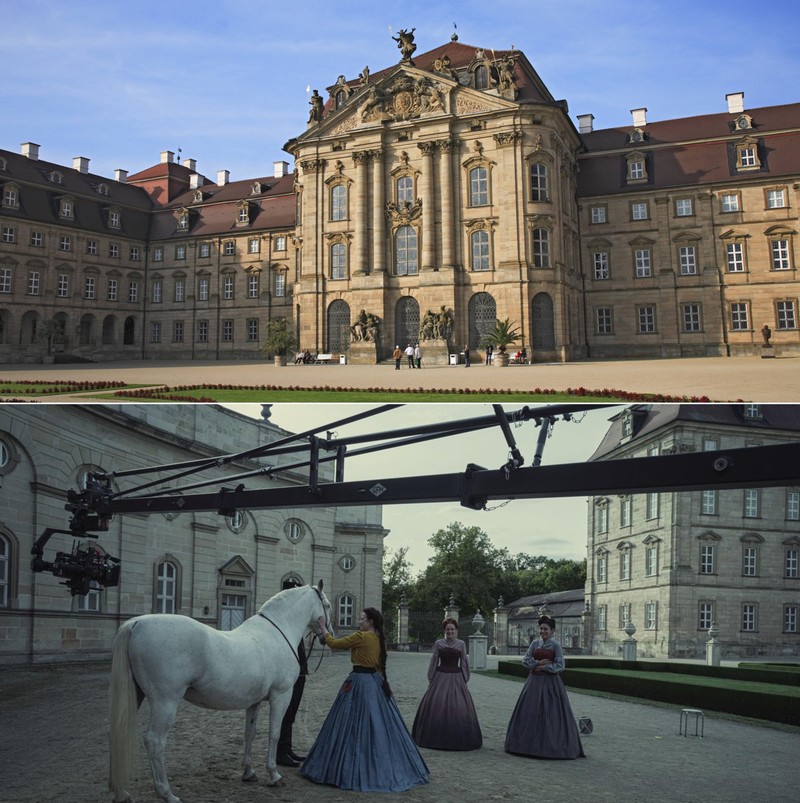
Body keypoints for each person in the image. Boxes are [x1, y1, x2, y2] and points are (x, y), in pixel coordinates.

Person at [302, 608, 429, 792]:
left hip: (359, 681)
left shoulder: (361, 636)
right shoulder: (380, 639)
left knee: (350, 722)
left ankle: (348, 766)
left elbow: (335, 644)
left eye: (362, 618)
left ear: (370, 621)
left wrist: (323, 628)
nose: (359, 621)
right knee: (379, 722)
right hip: (375, 682)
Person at [505, 615, 585, 759]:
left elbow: (560, 666)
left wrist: (545, 667)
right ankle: (525, 744)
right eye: (541, 628)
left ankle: (549, 746)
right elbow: (525, 660)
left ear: (552, 631)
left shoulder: (555, 646)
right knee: (529, 711)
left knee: (550, 714)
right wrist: (537, 664)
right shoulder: (535, 643)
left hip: (550, 685)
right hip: (533, 683)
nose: (543, 631)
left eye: (546, 629)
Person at [411, 618, 482, 750]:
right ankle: (433, 736)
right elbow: (434, 660)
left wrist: (465, 679)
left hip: (456, 677)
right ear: (444, 630)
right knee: (436, 704)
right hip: (440, 677)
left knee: (458, 705)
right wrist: (431, 677)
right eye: (447, 629)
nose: (450, 631)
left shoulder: (461, 644)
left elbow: (464, 662)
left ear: (456, 631)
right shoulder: (439, 643)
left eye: (452, 629)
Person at [276, 578, 309, 767]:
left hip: (300, 673)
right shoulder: (285, 619)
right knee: (286, 709)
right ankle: (281, 751)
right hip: (290, 674)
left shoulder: (294, 619)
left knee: (292, 710)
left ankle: (287, 748)